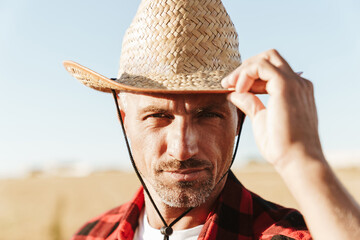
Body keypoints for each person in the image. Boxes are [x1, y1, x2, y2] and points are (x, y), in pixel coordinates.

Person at [64, 0, 360, 239]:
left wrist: (301, 159)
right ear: (124, 117)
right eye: (158, 116)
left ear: (239, 119)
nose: (182, 150)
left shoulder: (288, 235)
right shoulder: (93, 234)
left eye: (208, 115)